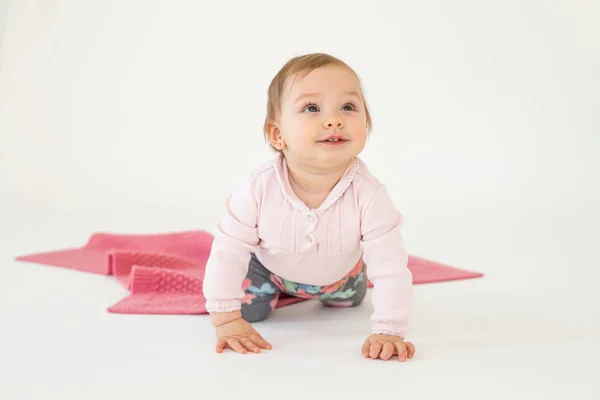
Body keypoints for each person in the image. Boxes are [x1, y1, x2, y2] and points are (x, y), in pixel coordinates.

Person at [202, 53, 415, 362]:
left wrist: (389, 329)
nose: (334, 119)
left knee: (349, 302)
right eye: (312, 108)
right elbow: (228, 249)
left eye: (348, 107)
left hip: (340, 276)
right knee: (251, 313)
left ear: (366, 124)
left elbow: (391, 267)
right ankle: (269, 294)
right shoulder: (258, 187)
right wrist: (225, 319)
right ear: (278, 135)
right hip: (269, 271)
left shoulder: (369, 194)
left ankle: (343, 287)